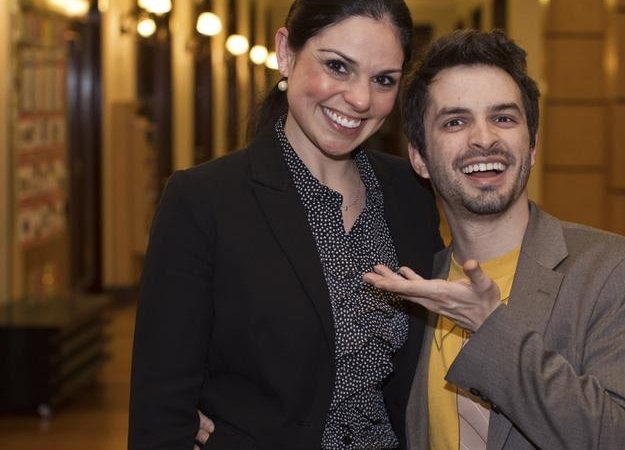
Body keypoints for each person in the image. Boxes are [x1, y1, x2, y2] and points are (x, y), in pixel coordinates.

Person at [128, 1, 442, 448]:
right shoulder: (204, 202)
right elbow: (159, 410)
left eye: (383, 80)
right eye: (337, 66)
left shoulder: (409, 193)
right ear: (285, 53)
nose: (360, 98)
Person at [362, 30, 625, 449]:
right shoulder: (415, 286)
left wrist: (490, 328)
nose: (484, 138)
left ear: (533, 143)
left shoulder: (615, 270)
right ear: (419, 157)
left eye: (503, 118)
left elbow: (616, 439)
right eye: (455, 121)